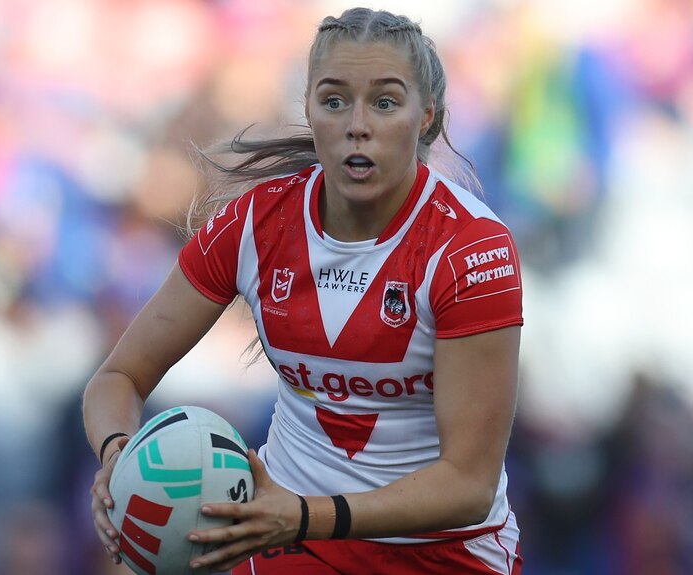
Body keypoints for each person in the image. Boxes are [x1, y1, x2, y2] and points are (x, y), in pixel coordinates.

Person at [84, 7, 524, 574]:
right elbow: (118, 377)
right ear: (309, 110)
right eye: (334, 101)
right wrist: (121, 460)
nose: (356, 125)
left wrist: (304, 515)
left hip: (441, 553)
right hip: (292, 542)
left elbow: (468, 485)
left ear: (426, 118)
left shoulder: (470, 248)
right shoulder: (256, 224)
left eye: (384, 102)